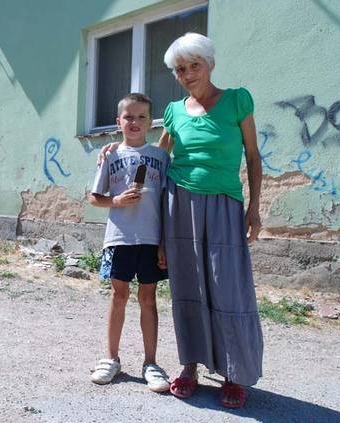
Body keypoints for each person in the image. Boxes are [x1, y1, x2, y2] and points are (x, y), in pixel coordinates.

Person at [99, 33, 263, 409]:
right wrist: (116, 149)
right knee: (188, 288)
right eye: (180, 69)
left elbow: (253, 158)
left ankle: (233, 373)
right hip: (179, 205)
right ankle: (189, 367)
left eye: (194, 65)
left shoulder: (238, 100)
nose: (188, 74)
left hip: (224, 204)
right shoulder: (174, 110)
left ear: (210, 64)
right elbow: (156, 156)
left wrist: (253, 208)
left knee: (228, 288)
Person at [89, 93, 171, 392]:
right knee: (118, 295)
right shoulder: (109, 155)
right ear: (118, 122)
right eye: (128, 117)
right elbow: (94, 198)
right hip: (119, 237)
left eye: (140, 117)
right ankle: (111, 358)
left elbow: (167, 203)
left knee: (148, 299)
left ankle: (151, 362)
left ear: (151, 122)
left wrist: (164, 243)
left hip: (151, 238)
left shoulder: (162, 157)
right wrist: (117, 200)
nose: (134, 122)